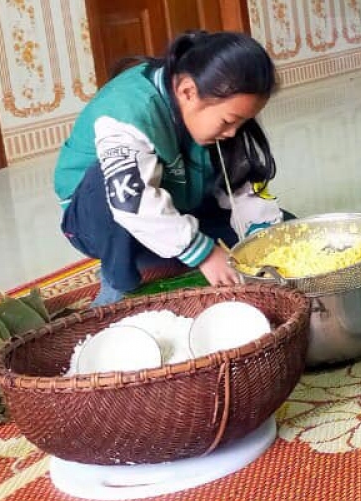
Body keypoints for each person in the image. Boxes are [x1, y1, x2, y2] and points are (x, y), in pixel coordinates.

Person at [54, 31, 285, 307]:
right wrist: (205, 254)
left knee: (276, 230)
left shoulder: (216, 122)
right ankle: (117, 285)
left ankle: (161, 253)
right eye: (228, 121)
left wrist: (263, 242)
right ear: (188, 91)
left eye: (241, 123)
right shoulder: (126, 110)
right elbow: (130, 203)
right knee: (118, 187)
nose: (233, 132)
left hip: (175, 199)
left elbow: (243, 189)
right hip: (99, 220)